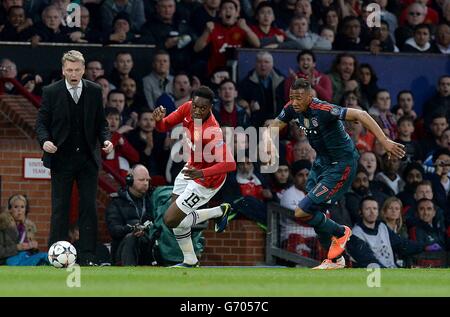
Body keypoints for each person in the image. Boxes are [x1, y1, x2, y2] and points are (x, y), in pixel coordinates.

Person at [264, 78, 405, 269]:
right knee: (314, 213)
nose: (294, 102)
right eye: (292, 98)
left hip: (342, 163)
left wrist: (385, 140)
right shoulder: (291, 108)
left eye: (298, 98)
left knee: (302, 211)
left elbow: (361, 114)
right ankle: (334, 260)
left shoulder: (323, 109)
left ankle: (341, 232)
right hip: (322, 162)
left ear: (310, 96)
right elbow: (274, 124)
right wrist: (269, 142)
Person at [35, 50, 113, 266]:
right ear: (63, 70)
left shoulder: (95, 91)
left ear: (83, 69)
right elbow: (41, 123)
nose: (73, 73)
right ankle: (55, 254)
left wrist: (106, 140)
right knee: (60, 207)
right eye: (69, 70)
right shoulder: (51, 91)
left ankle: (87, 255)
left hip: (88, 158)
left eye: (77, 69)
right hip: (61, 158)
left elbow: (101, 123)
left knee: (88, 206)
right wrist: (45, 141)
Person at [152, 86, 236, 267]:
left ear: (210, 108)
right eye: (195, 106)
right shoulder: (187, 108)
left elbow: (230, 164)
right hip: (191, 168)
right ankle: (190, 260)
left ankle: (219, 211)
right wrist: (158, 122)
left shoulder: (212, 130)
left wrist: (202, 173)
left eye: (202, 108)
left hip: (208, 180)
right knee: (175, 218)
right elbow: (164, 125)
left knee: (170, 219)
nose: (197, 111)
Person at [347, 196, 425, 268]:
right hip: (375, 275)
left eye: (374, 208)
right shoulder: (355, 233)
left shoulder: (382, 226)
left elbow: (401, 244)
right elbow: (368, 260)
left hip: (392, 269)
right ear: (360, 212)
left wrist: (424, 247)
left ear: (378, 211)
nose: (372, 212)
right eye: (367, 209)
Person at [105, 164, 156, 266]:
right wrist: (132, 229)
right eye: (141, 180)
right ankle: (128, 270)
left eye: (147, 180)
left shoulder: (153, 199)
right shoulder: (117, 202)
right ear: (129, 180)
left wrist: (145, 231)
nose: (146, 183)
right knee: (132, 237)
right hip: (122, 248)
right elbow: (114, 230)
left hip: (146, 245)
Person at [0, 194, 48, 266]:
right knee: (14, 261)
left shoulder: (29, 227)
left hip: (25, 256)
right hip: (9, 259)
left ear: (26, 210)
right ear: (10, 209)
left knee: (45, 255)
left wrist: (33, 247)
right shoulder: (3, 226)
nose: (19, 210)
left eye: (22, 207)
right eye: (16, 207)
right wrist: (17, 247)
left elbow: (31, 252)